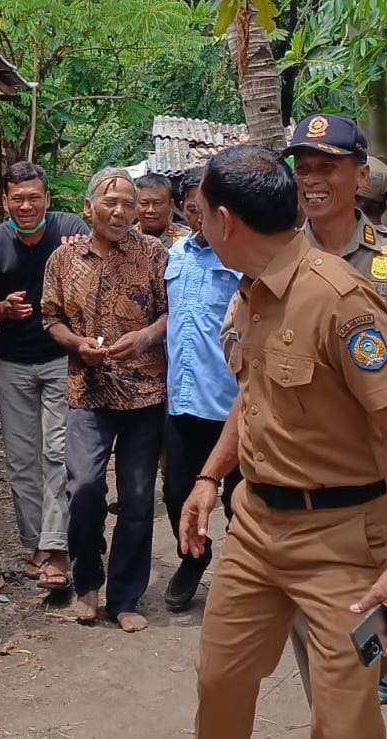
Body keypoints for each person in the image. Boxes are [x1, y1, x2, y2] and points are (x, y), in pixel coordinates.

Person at [180, 145, 387, 738]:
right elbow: (254, 395)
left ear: (226, 221)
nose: (198, 220)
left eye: (201, 210)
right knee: (218, 681)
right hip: (256, 531)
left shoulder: (342, 304)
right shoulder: (251, 292)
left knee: (347, 718)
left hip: (345, 547)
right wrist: (210, 477)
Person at [285, 114, 387, 705]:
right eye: (303, 169)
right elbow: (238, 339)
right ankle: (347, 683)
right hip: (307, 455)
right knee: (323, 581)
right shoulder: (277, 256)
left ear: (360, 175)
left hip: (384, 453)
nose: (312, 180)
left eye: (327, 167)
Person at [41, 167, 168, 633]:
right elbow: (50, 317)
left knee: (137, 497)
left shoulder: (154, 253)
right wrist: (77, 346)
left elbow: (170, 315)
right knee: (86, 486)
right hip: (87, 390)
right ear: (87, 208)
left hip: (145, 391)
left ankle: (125, 597)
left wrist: (143, 337)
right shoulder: (64, 260)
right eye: (111, 201)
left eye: (129, 203)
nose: (121, 211)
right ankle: (87, 581)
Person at [0, 162, 88, 591]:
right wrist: (3, 309)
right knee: (21, 460)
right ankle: (37, 542)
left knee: (58, 453)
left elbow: (97, 267)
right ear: (4, 201)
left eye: (33, 197)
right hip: (13, 362)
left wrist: (81, 253)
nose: (26, 205)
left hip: (61, 357)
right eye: (17, 198)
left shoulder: (69, 228)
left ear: (47, 199)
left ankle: (57, 549)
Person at [162, 167, 242, 612]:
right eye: (194, 207)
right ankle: (193, 559)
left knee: (239, 499)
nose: (200, 217)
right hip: (183, 403)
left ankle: (244, 576)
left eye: (208, 207)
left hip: (231, 404)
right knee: (177, 493)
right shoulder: (175, 255)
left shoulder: (240, 259)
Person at [133, 173, 190, 248]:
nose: (151, 210)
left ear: (171, 204)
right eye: (144, 203)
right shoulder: (123, 239)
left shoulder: (186, 240)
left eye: (157, 203)